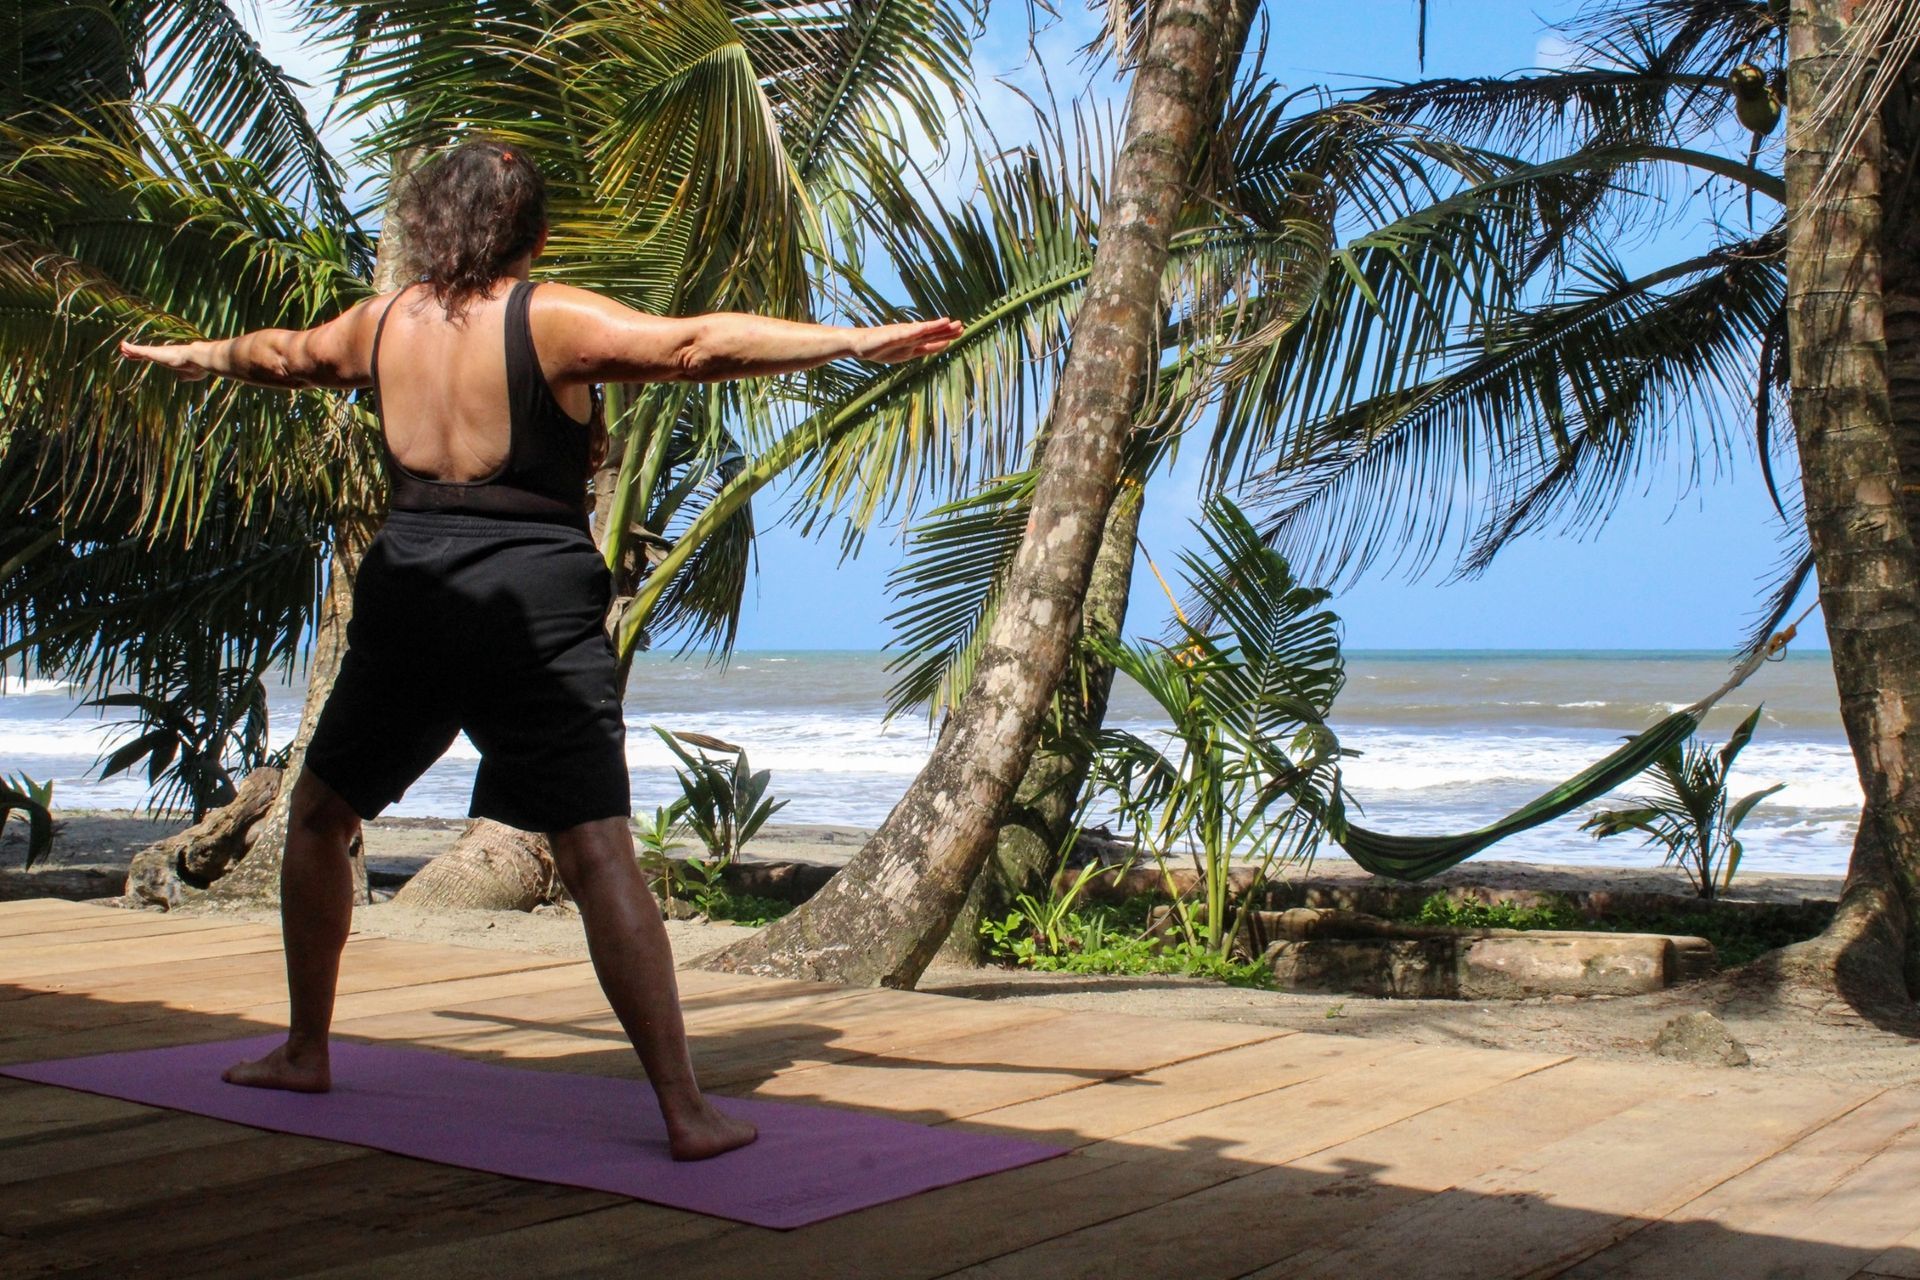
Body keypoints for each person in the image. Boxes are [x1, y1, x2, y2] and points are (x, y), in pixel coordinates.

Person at [118, 138, 962, 1161]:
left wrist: (191, 355)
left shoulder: (379, 323)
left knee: (319, 815)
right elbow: (694, 345)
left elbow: (281, 355)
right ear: (536, 235)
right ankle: (686, 1111)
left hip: (413, 594)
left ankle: (305, 1046)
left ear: (429, 227)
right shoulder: (546, 316)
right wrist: (847, 339)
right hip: (531, 605)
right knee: (596, 845)